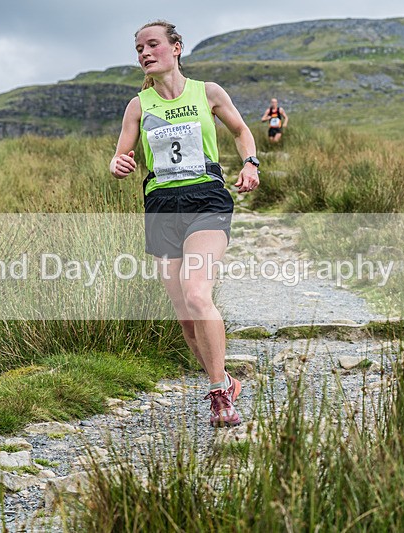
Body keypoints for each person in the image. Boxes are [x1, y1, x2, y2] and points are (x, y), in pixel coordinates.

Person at [109, 20, 260, 428]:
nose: (144, 52)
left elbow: (242, 130)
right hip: (160, 204)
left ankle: (218, 396)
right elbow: (120, 155)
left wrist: (250, 162)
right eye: (138, 47)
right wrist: (118, 163)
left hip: (206, 199)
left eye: (152, 44)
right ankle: (226, 379)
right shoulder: (138, 106)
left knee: (197, 294)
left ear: (176, 48)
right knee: (185, 317)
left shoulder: (207, 92)